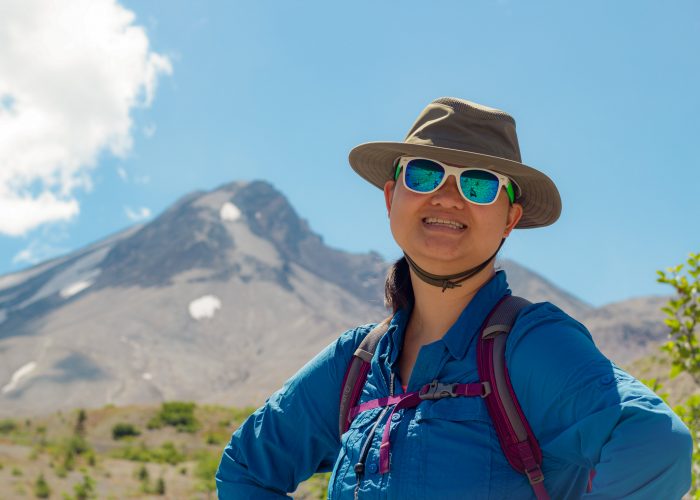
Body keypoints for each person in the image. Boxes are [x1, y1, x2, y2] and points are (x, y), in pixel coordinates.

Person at [216, 97, 692, 499]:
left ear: (509, 219)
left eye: (479, 184)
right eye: (424, 174)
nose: (447, 196)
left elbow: (655, 442)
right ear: (390, 198)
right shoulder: (355, 362)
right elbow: (247, 467)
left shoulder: (530, 345)